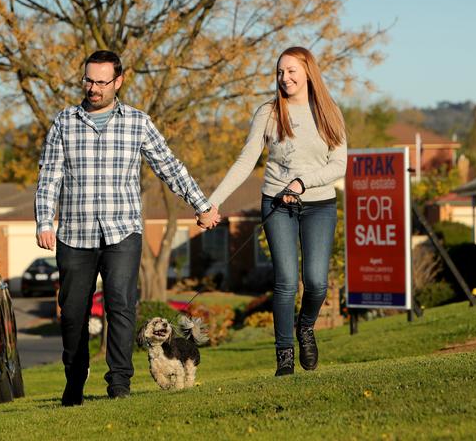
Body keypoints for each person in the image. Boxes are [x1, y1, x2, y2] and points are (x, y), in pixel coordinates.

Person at [35, 50, 220, 405]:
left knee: (121, 306)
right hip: (75, 233)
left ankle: (119, 384)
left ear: (118, 81)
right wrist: (45, 221)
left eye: (102, 82)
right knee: (73, 312)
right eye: (88, 80)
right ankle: (74, 381)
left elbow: (169, 165)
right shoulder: (64, 122)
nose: (93, 88)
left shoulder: (137, 122)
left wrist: (201, 205)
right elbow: (49, 178)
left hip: (123, 231)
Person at [208, 46, 347, 376]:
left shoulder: (330, 112)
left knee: (315, 282)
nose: (284, 78)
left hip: (319, 204)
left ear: (308, 72)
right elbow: (246, 161)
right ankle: (284, 355)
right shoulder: (269, 113)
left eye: (291, 71)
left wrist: (302, 182)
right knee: (285, 281)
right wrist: (214, 201)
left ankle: (306, 328)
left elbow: (339, 164)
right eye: (280, 72)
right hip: (276, 204)